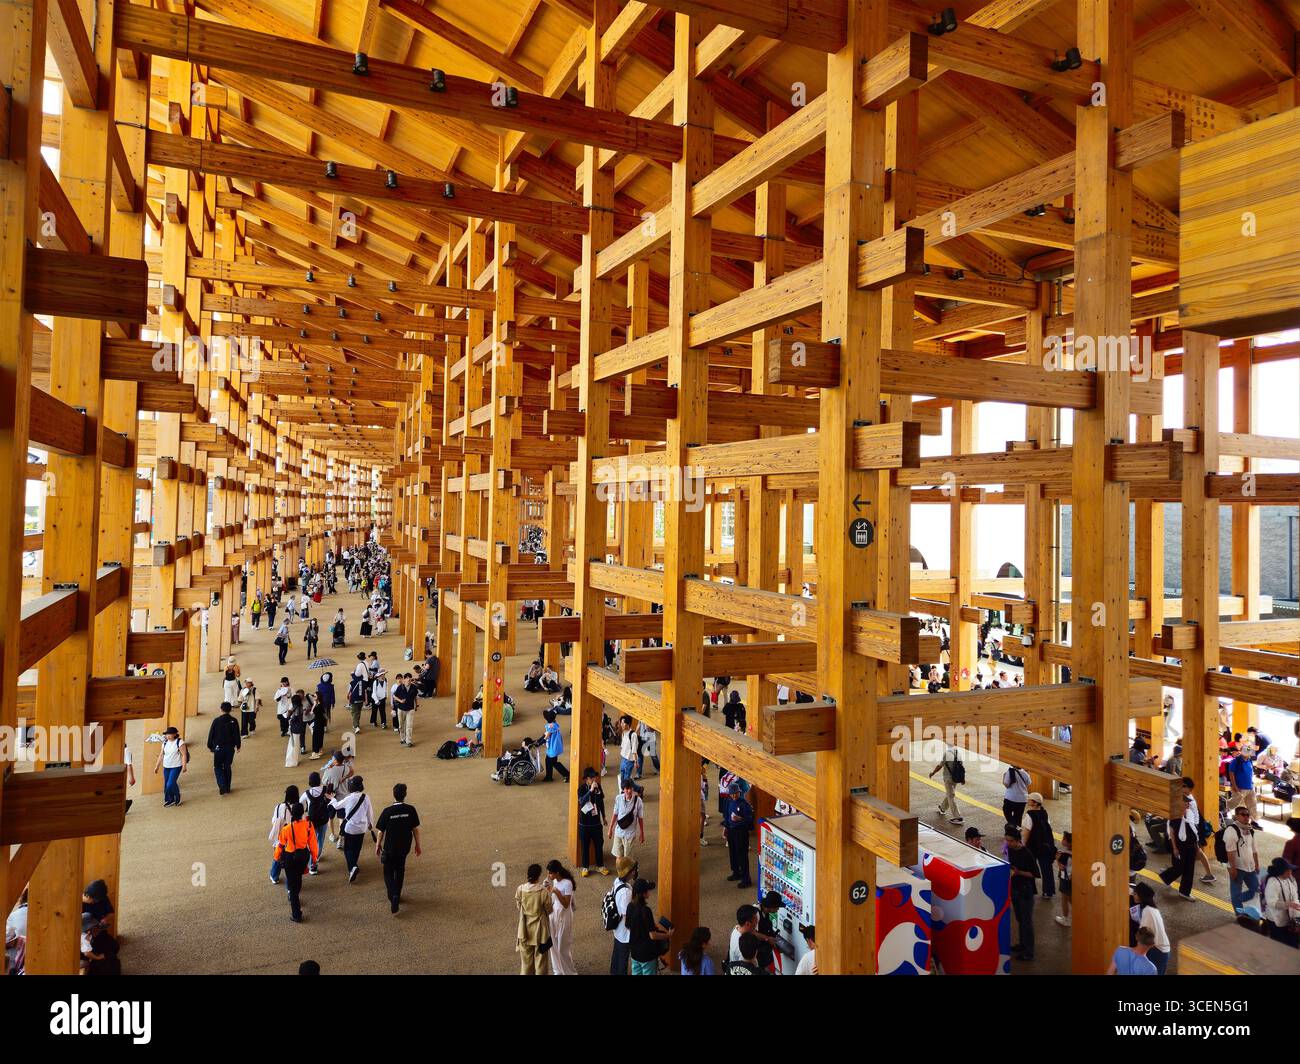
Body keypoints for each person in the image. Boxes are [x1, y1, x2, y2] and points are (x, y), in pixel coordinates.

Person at [375, 783, 421, 914]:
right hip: (404, 848)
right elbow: (415, 830)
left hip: (389, 848)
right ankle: (398, 894)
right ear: (405, 795)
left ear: (393, 795)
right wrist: (418, 845)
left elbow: (380, 832)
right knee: (400, 871)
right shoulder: (411, 810)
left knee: (388, 872)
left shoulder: (387, 811)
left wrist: (378, 844)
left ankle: (393, 895)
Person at [273, 802, 319, 923]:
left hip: (290, 857)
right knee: (298, 878)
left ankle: (296, 914)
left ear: (292, 813)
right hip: (303, 856)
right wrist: (314, 858)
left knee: (292, 886)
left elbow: (280, 845)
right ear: (302, 813)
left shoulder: (287, 828)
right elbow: (313, 843)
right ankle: (295, 895)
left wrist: (277, 857)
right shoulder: (308, 825)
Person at [1159, 784, 1201, 901]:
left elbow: (1194, 829)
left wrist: (1196, 845)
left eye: (1188, 802)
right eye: (1185, 802)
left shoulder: (1190, 814)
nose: (1188, 804)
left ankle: (1185, 892)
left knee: (1190, 869)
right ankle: (1166, 876)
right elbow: (1171, 832)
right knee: (1180, 867)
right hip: (1180, 845)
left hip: (1191, 845)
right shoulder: (1175, 816)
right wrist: (1174, 848)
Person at [331, 776, 375, 883]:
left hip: (350, 828)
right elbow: (370, 812)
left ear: (350, 787)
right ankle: (354, 864)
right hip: (362, 828)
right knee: (357, 848)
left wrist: (332, 798)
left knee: (347, 849)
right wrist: (370, 824)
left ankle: (353, 867)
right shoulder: (366, 797)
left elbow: (336, 806)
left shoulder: (349, 798)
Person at [1005, 824, 1039, 962]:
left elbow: (1035, 874)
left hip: (1026, 892)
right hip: (1015, 889)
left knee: (1026, 922)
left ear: (1018, 840)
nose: (1008, 843)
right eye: (1007, 840)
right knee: (1019, 919)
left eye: (1011, 841)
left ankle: (1029, 951)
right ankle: (1022, 944)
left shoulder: (1027, 854)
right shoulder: (1010, 849)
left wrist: (1018, 872)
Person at [625, 879, 671, 975]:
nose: (649, 892)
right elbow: (653, 936)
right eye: (648, 890)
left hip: (634, 952)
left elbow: (629, 926)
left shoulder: (630, 906)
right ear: (643, 893)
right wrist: (668, 935)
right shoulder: (646, 911)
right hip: (647, 954)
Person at [515, 864, 553, 975]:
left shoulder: (521, 889)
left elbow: (519, 905)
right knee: (541, 962)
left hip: (524, 930)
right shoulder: (543, 892)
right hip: (540, 931)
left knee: (526, 963)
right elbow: (549, 910)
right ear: (538, 876)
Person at [1223, 803, 1261, 914]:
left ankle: (1238, 900)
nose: (1246, 817)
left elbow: (1254, 849)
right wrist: (1232, 868)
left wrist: (1257, 864)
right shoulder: (1231, 830)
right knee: (1236, 891)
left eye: (1248, 815)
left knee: (1255, 889)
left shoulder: (1250, 830)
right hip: (1237, 867)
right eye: (1243, 814)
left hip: (1250, 867)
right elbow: (1230, 852)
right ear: (1236, 816)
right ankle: (1239, 914)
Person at [1021, 792, 1057, 899]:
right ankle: (1048, 892)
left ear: (1035, 803)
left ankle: (1030, 889)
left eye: (1030, 800)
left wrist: (1023, 847)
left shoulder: (1029, 815)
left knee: (1029, 868)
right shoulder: (1044, 813)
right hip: (1045, 845)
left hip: (1033, 846)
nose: (1028, 801)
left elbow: (1026, 833)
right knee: (1047, 869)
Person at [545, 860, 577, 975]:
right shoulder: (555, 881)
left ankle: (569, 972)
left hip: (564, 915)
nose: (549, 875)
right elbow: (552, 895)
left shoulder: (567, 883)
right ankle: (557, 970)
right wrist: (549, 888)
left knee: (563, 946)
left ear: (557, 872)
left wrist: (555, 891)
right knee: (553, 945)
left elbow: (566, 904)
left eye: (550, 873)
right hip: (554, 914)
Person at [1132, 882, 1170, 974]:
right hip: (1163, 950)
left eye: (1135, 893)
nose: (1133, 895)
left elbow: (1143, 938)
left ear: (1141, 896)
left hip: (1158, 952)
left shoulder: (1147, 913)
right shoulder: (1152, 909)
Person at [576, 767, 609, 876]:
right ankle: (585, 867)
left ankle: (600, 866)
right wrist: (590, 791)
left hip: (596, 823)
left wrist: (603, 816)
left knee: (599, 845)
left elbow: (601, 803)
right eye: (592, 778)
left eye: (595, 777)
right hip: (584, 824)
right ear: (586, 779)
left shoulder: (598, 787)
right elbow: (581, 801)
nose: (594, 779)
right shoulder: (581, 789)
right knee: (585, 846)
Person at [607, 856, 637, 975]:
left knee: (617, 955)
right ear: (629, 872)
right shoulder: (625, 893)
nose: (634, 871)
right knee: (622, 960)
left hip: (618, 929)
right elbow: (627, 915)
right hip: (625, 932)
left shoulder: (617, 882)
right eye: (633, 869)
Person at [205, 701, 242, 795]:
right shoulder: (234, 720)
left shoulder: (216, 721)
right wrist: (238, 745)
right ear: (230, 710)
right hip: (230, 748)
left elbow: (211, 734)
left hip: (219, 748)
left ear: (221, 709)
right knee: (227, 766)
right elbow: (237, 734)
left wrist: (210, 746)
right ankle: (228, 787)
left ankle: (222, 785)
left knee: (217, 766)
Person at [1262, 857, 1300, 946]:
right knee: (1278, 944)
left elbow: (1295, 895)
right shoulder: (1273, 883)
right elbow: (1272, 902)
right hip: (1276, 920)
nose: (1290, 873)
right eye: (1287, 871)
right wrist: (1288, 904)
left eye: (1290, 870)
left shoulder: (1290, 879)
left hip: (1289, 918)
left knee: (1292, 943)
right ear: (1280, 871)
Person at [725, 783, 755, 889]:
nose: (734, 796)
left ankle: (746, 879)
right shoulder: (729, 802)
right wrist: (726, 827)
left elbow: (750, 819)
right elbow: (727, 816)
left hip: (741, 832)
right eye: (732, 794)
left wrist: (740, 819)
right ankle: (736, 872)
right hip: (731, 831)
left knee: (742, 854)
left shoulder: (744, 804)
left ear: (739, 793)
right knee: (732, 853)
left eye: (735, 794)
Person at [303, 772, 332, 875]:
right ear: (319, 780)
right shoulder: (325, 789)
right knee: (321, 839)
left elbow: (300, 803)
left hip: (312, 822)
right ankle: (317, 857)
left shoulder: (307, 793)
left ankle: (312, 864)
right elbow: (332, 799)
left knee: (312, 842)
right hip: (324, 819)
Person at [609, 779, 644, 862]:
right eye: (626, 789)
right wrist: (610, 829)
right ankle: (621, 875)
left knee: (627, 859)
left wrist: (642, 833)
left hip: (630, 835)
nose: (628, 791)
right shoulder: (618, 798)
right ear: (623, 789)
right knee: (618, 858)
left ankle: (630, 875)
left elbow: (640, 818)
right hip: (618, 832)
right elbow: (615, 814)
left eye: (630, 788)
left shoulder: (638, 801)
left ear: (632, 788)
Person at [929, 744, 964, 824]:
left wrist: (933, 772)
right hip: (956, 778)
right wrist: (962, 778)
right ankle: (942, 808)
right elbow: (961, 766)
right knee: (950, 794)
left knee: (951, 796)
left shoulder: (947, 754)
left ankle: (958, 817)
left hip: (948, 778)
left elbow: (939, 765)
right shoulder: (958, 753)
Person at [153, 726, 188, 806]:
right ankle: (170, 799)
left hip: (176, 766)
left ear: (175, 734)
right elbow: (161, 755)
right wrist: (157, 766)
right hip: (166, 766)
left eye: (170, 734)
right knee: (166, 784)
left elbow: (184, 755)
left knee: (170, 783)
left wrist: (184, 765)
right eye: (167, 734)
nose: (168, 736)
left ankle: (177, 796)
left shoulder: (180, 742)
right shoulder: (165, 743)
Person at [1226, 748, 1260, 828]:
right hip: (1240, 788)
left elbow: (1250, 773)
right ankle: (1227, 810)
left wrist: (1252, 784)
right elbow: (1231, 773)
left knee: (1253, 805)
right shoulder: (1235, 761)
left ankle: (1254, 821)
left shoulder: (1249, 760)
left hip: (1249, 787)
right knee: (1238, 805)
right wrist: (1235, 786)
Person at [541, 709, 570, 783]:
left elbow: (547, 735)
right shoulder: (554, 723)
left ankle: (566, 774)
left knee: (554, 763)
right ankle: (549, 776)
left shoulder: (551, 726)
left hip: (553, 747)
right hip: (553, 747)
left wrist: (541, 741)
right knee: (548, 760)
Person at [394, 672, 417, 746]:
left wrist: (416, 704)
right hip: (401, 709)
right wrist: (400, 701)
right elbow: (395, 696)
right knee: (401, 725)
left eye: (409, 678)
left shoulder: (414, 687)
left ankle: (408, 741)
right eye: (407, 678)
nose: (408, 680)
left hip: (410, 709)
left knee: (409, 726)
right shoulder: (400, 687)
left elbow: (415, 696)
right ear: (404, 680)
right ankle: (402, 739)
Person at [1055, 830, 1073, 926]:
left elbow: (1062, 867)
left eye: (1064, 839)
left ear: (1069, 843)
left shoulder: (1065, 855)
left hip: (1065, 878)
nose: (1062, 840)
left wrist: (1057, 859)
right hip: (1072, 878)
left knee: (1064, 899)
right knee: (1071, 898)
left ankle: (1065, 919)